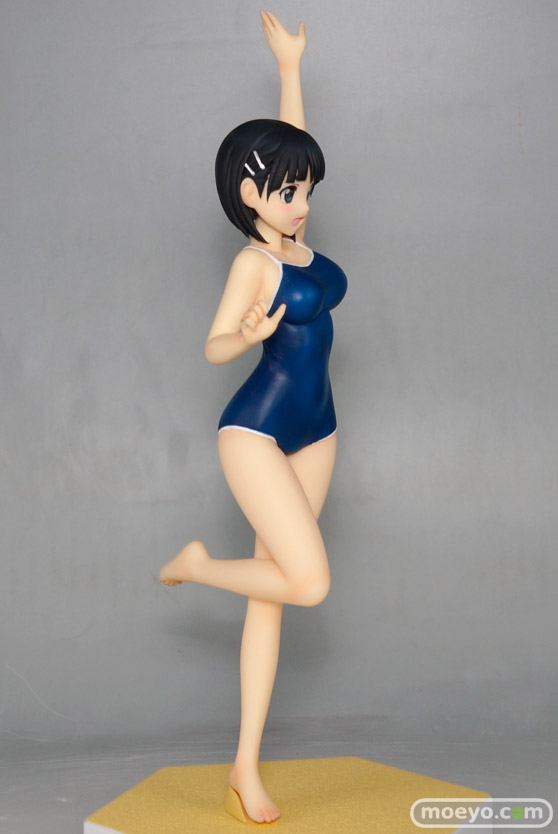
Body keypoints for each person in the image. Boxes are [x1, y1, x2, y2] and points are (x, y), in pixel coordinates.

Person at [159, 11, 347, 824]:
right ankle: (199, 566)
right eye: (287, 192)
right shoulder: (253, 261)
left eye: (306, 191)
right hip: (258, 433)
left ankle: (244, 765)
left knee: (270, 596)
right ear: (249, 193)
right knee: (307, 582)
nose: (301, 204)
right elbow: (211, 348)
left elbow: (287, 148)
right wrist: (245, 334)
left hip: (319, 430)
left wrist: (290, 69)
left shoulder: (299, 234)